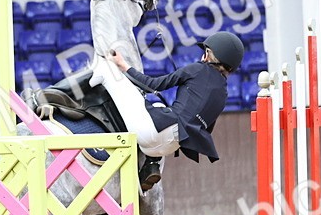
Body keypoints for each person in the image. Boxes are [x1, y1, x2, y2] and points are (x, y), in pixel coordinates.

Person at [95, 31, 243, 190]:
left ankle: (69, 91)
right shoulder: (224, 94)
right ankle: (151, 165)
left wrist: (123, 64)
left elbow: (153, 84)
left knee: (104, 68)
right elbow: (206, 128)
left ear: (208, 54)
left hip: (152, 134)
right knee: (160, 108)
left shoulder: (197, 69)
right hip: (170, 146)